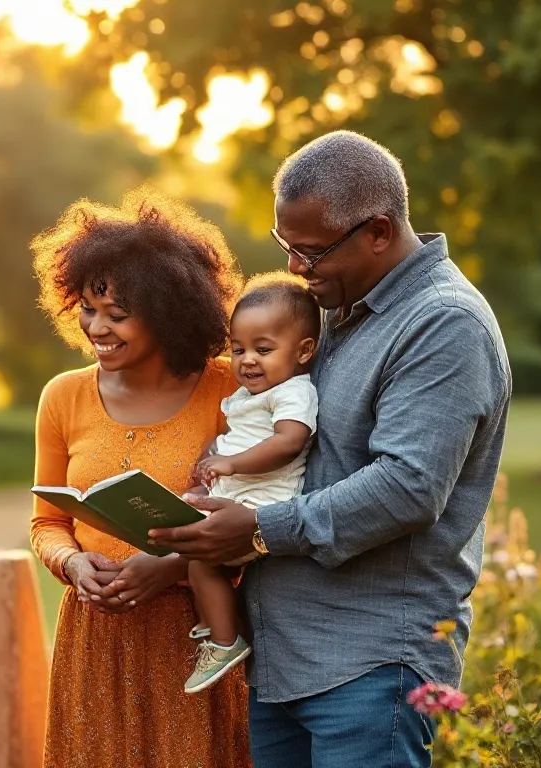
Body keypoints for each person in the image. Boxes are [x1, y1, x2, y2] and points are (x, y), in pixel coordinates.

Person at [149, 131, 511, 768]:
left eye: (312, 252)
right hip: (287, 659)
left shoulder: (442, 322)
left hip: (371, 665)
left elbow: (406, 486)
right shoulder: (335, 309)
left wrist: (258, 529)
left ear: (376, 231)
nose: (295, 268)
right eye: (288, 247)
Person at [29, 188, 253, 768]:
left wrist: (170, 568)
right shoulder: (63, 396)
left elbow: (267, 515)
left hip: (200, 636)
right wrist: (73, 565)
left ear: (167, 311)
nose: (95, 328)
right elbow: (48, 521)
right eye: (86, 307)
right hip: (93, 639)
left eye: (117, 315)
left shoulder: (230, 389)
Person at [182, 273, 320, 694]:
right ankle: (214, 619)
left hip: (263, 500)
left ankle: (225, 640)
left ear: (304, 351)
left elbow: (288, 442)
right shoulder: (248, 396)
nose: (247, 361)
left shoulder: (294, 392)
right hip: (240, 488)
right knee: (189, 537)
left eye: (263, 349)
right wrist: (212, 455)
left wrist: (229, 463)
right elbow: (236, 432)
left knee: (201, 561)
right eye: (238, 349)